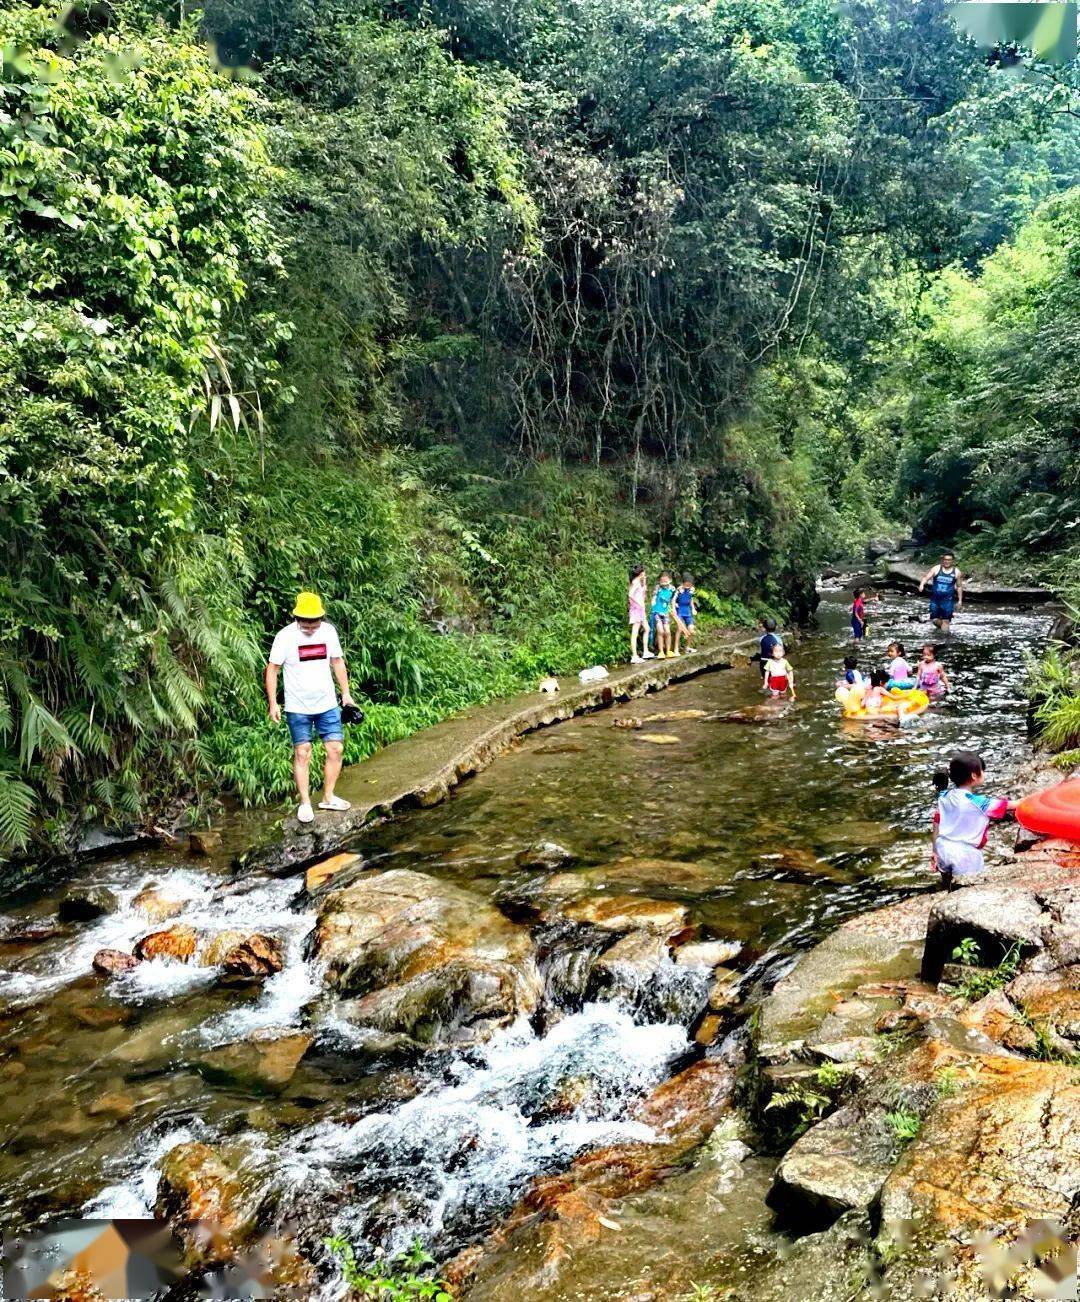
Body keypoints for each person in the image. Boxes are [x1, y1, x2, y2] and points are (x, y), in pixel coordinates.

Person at [266, 592, 355, 824]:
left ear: (321, 617)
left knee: (335, 748)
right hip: (297, 706)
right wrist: (273, 703)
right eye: (304, 621)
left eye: (313, 621)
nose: (309, 626)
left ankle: (328, 796)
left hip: (327, 704)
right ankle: (305, 802)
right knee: (302, 752)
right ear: (296, 617)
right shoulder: (285, 637)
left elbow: (337, 662)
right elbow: (272, 669)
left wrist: (345, 694)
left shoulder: (328, 632)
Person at [931, 750, 1014, 889]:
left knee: (947, 885)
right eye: (982, 770)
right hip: (965, 855)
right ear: (974, 775)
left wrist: (934, 851)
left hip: (942, 848)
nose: (984, 773)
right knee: (969, 889)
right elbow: (1012, 805)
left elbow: (936, 824)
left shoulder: (944, 796)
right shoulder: (980, 802)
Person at [919, 552, 963, 633]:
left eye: (949, 560)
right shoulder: (936, 569)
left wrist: (960, 600)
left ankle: (945, 639)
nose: (947, 562)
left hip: (948, 600)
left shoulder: (956, 572)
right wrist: (922, 584)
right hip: (935, 599)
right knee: (935, 620)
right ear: (943, 560)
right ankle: (945, 630)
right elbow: (926, 577)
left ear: (952, 561)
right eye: (945, 560)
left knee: (946, 620)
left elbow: (959, 586)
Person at [650, 571, 676, 659]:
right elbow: (653, 596)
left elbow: (672, 600)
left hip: (666, 613)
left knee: (667, 631)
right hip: (657, 612)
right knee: (660, 631)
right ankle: (661, 652)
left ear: (670, 580)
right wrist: (653, 601)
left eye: (666, 580)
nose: (664, 582)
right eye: (662, 580)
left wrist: (674, 607)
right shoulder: (658, 588)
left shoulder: (672, 589)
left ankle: (668, 650)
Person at [672, 574, 697, 657]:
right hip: (680, 611)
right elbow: (673, 600)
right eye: (686, 584)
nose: (688, 586)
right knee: (679, 629)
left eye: (690, 584)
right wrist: (674, 609)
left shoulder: (692, 590)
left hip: (688, 612)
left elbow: (691, 599)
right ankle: (676, 649)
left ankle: (687, 647)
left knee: (691, 629)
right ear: (683, 583)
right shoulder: (679, 590)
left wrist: (693, 608)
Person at [628, 564, 648, 664]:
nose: (645, 574)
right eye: (644, 572)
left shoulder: (638, 582)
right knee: (635, 633)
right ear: (640, 573)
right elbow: (630, 595)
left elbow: (643, 596)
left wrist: (644, 583)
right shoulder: (635, 582)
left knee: (647, 629)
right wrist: (638, 604)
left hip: (640, 610)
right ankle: (634, 656)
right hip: (636, 610)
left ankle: (645, 652)